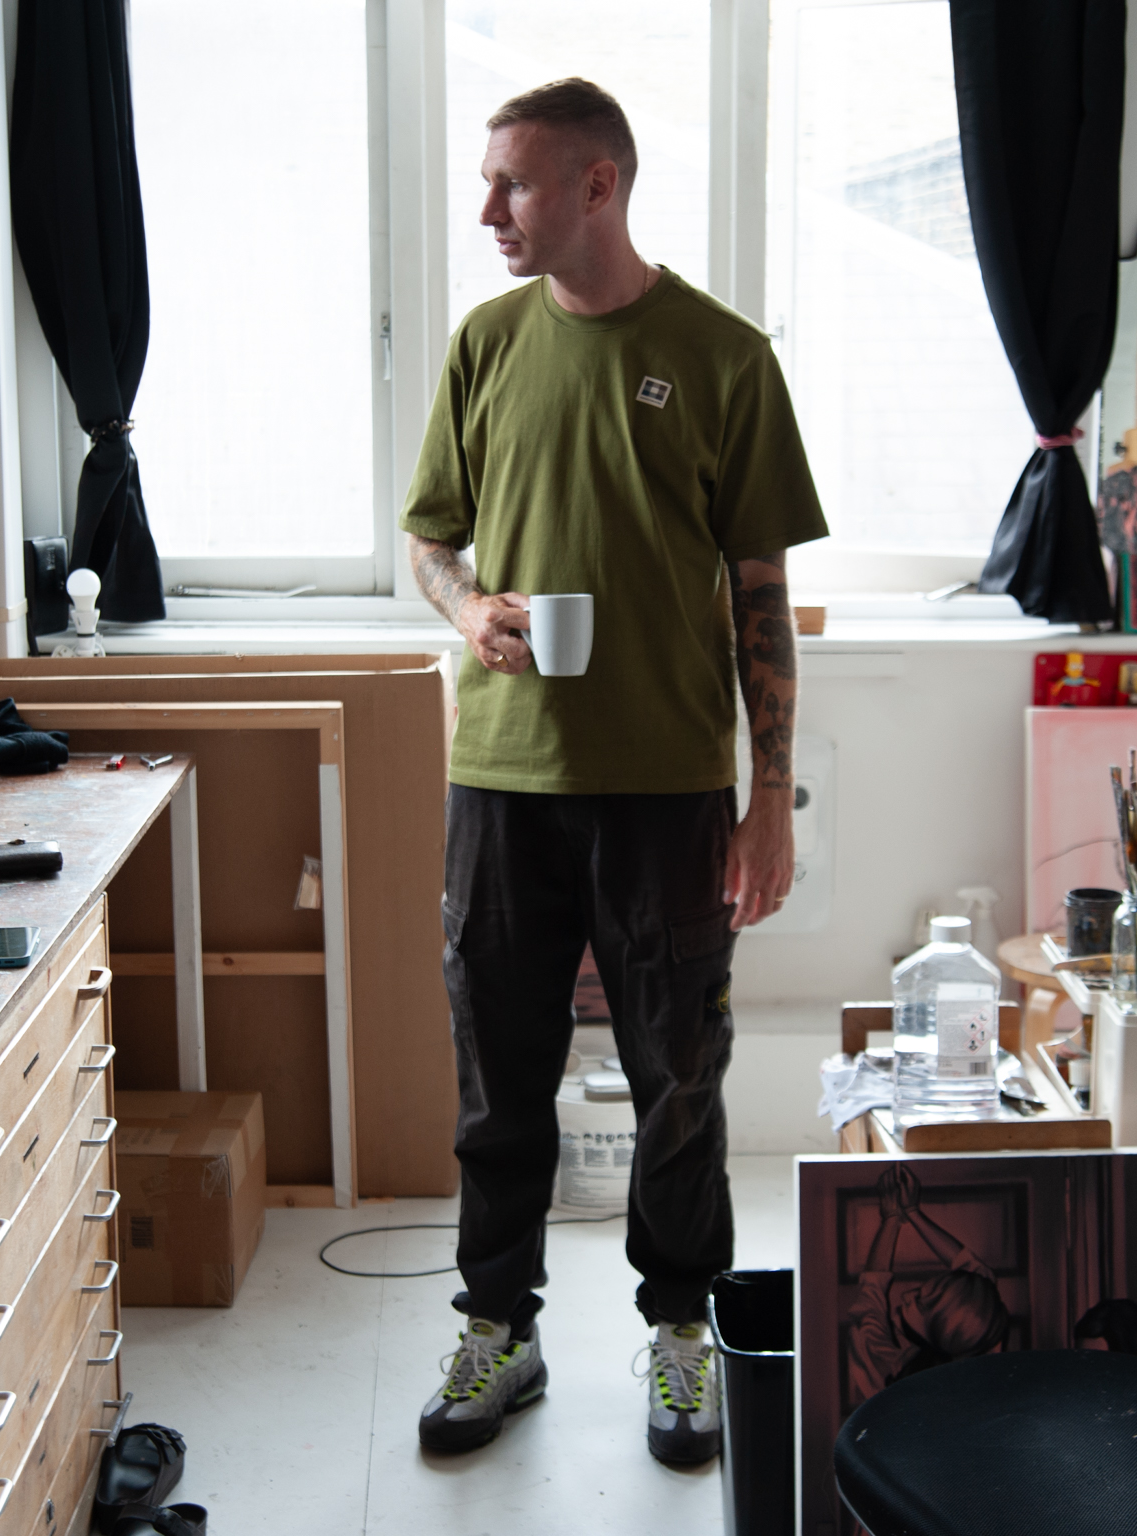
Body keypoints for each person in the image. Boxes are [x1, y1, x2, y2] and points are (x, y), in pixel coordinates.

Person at [401, 77, 826, 1464]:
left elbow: (760, 596)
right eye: (487, 181)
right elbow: (430, 541)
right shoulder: (483, 346)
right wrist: (469, 609)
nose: (488, 209)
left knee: (678, 1080)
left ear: (597, 185)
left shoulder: (724, 357)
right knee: (498, 1079)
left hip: (668, 790)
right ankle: (497, 1329)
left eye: (512, 183)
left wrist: (769, 802)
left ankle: (684, 1333)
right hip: (502, 780)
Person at [842, 1166, 1010, 1409]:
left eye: (920, 1302)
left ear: (942, 1329)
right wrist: (913, 1212)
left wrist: (891, 1219)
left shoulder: (893, 1374)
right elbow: (976, 1279)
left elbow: (870, 1304)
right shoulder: (981, 1346)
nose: (907, 1295)